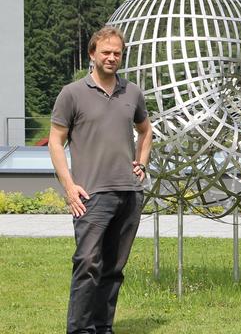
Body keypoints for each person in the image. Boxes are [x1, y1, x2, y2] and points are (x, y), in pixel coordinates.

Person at [48, 26, 152, 334]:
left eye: (117, 53)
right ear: (92, 54)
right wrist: (69, 187)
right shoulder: (72, 94)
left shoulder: (132, 92)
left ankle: (103, 326)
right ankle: (80, 329)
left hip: (129, 194)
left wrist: (142, 163)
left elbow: (146, 130)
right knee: (87, 264)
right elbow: (56, 141)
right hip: (91, 195)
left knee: (114, 268)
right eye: (105, 52)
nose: (111, 58)